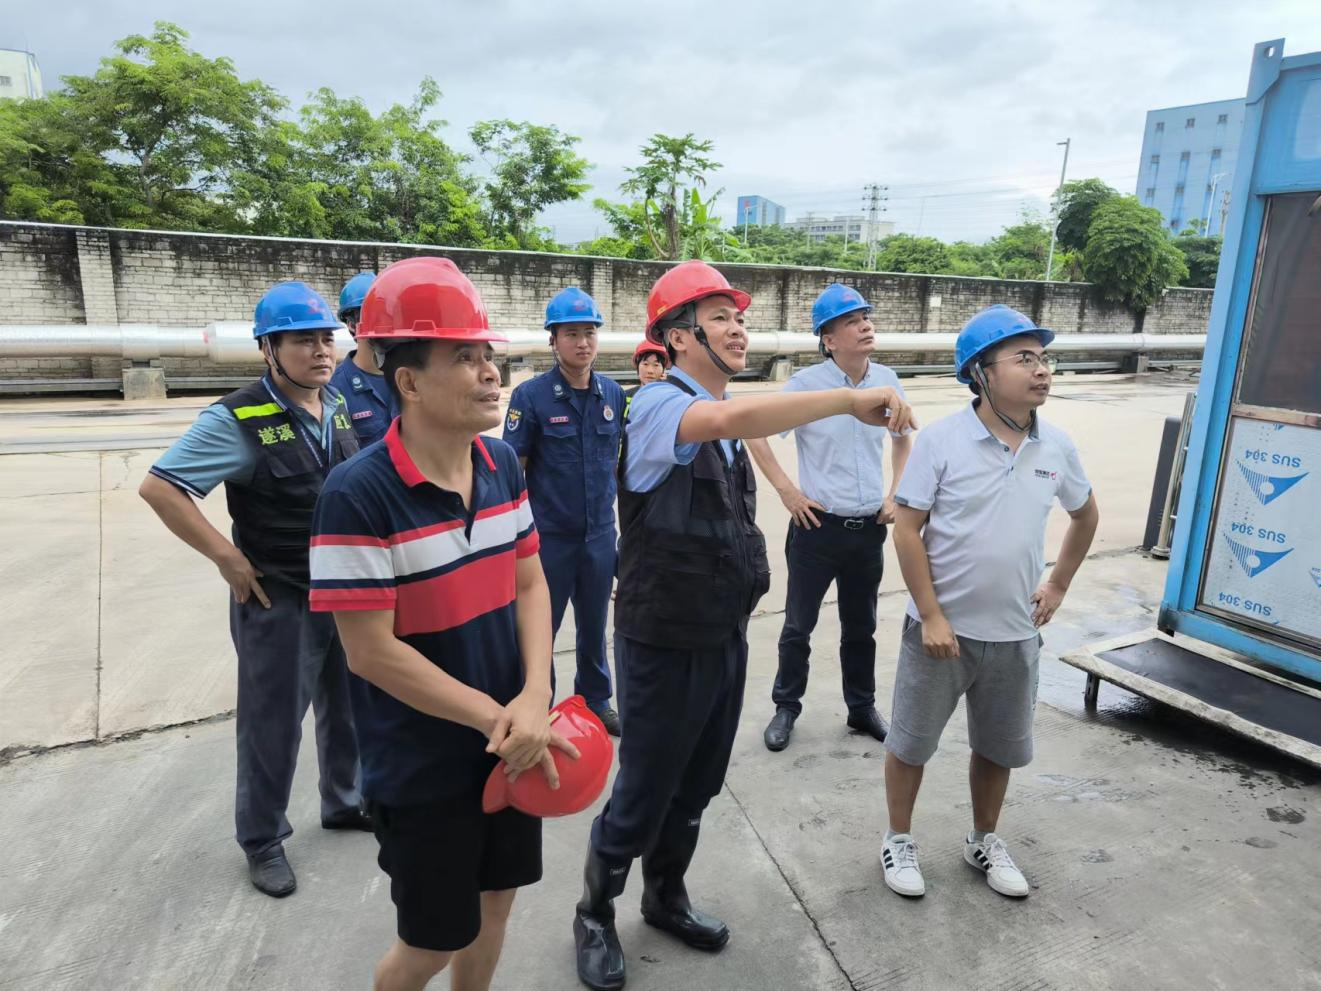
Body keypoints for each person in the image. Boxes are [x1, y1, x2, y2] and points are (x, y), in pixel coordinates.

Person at [573, 261, 915, 991]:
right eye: (719, 316)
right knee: (642, 790)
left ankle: (665, 896)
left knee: (696, 784)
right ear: (676, 335)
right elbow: (728, 419)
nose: (737, 328)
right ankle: (595, 910)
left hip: (720, 632)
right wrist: (843, 400)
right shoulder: (662, 405)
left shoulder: (723, 415)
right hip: (660, 639)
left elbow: (733, 435)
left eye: (737, 315)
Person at [310, 256, 578, 991]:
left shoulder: (499, 464)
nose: (490, 372)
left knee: (496, 908)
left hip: (513, 745)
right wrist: (503, 716)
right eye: (464, 357)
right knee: (431, 941)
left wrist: (533, 694)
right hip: (423, 764)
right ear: (408, 381)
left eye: (488, 354)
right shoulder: (357, 495)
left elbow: (530, 578)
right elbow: (370, 653)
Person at [138, 281, 367, 899]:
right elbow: (161, 488)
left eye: (327, 338)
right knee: (273, 725)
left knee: (347, 707)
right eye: (303, 341)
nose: (321, 351)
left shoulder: (335, 403)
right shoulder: (236, 418)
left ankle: (344, 802)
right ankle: (262, 840)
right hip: (281, 596)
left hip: (343, 592)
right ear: (269, 348)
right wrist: (227, 557)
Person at [880, 304, 1099, 901]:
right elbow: (907, 528)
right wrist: (930, 613)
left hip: (1014, 632)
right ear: (981, 372)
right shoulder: (944, 442)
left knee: (997, 746)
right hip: (939, 632)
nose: (1042, 371)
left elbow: (1085, 516)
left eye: (1044, 358)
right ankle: (898, 838)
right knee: (911, 743)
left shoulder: (1056, 445)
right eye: (1024, 358)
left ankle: (983, 838)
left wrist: (1057, 585)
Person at [750, 283, 913, 752]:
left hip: (868, 531)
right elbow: (755, 432)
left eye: (866, 317)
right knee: (798, 625)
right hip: (817, 528)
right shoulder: (805, 386)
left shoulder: (886, 379)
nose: (865, 326)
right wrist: (787, 491)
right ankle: (786, 707)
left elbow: (903, 435)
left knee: (861, 628)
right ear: (828, 339)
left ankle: (861, 709)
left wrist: (896, 493)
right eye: (851, 321)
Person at [502, 287, 625, 735]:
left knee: (594, 628)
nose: (583, 343)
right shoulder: (531, 397)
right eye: (571, 333)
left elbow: (621, 468)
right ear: (553, 340)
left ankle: (596, 699)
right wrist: (514, 540)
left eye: (590, 333)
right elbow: (513, 470)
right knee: (539, 632)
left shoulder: (613, 393)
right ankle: (540, 707)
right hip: (547, 539)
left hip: (598, 538)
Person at [330, 271, 398, 448]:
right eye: (375, 316)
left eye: (388, 315)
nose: (385, 324)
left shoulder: (413, 377)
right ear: (352, 325)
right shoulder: (334, 391)